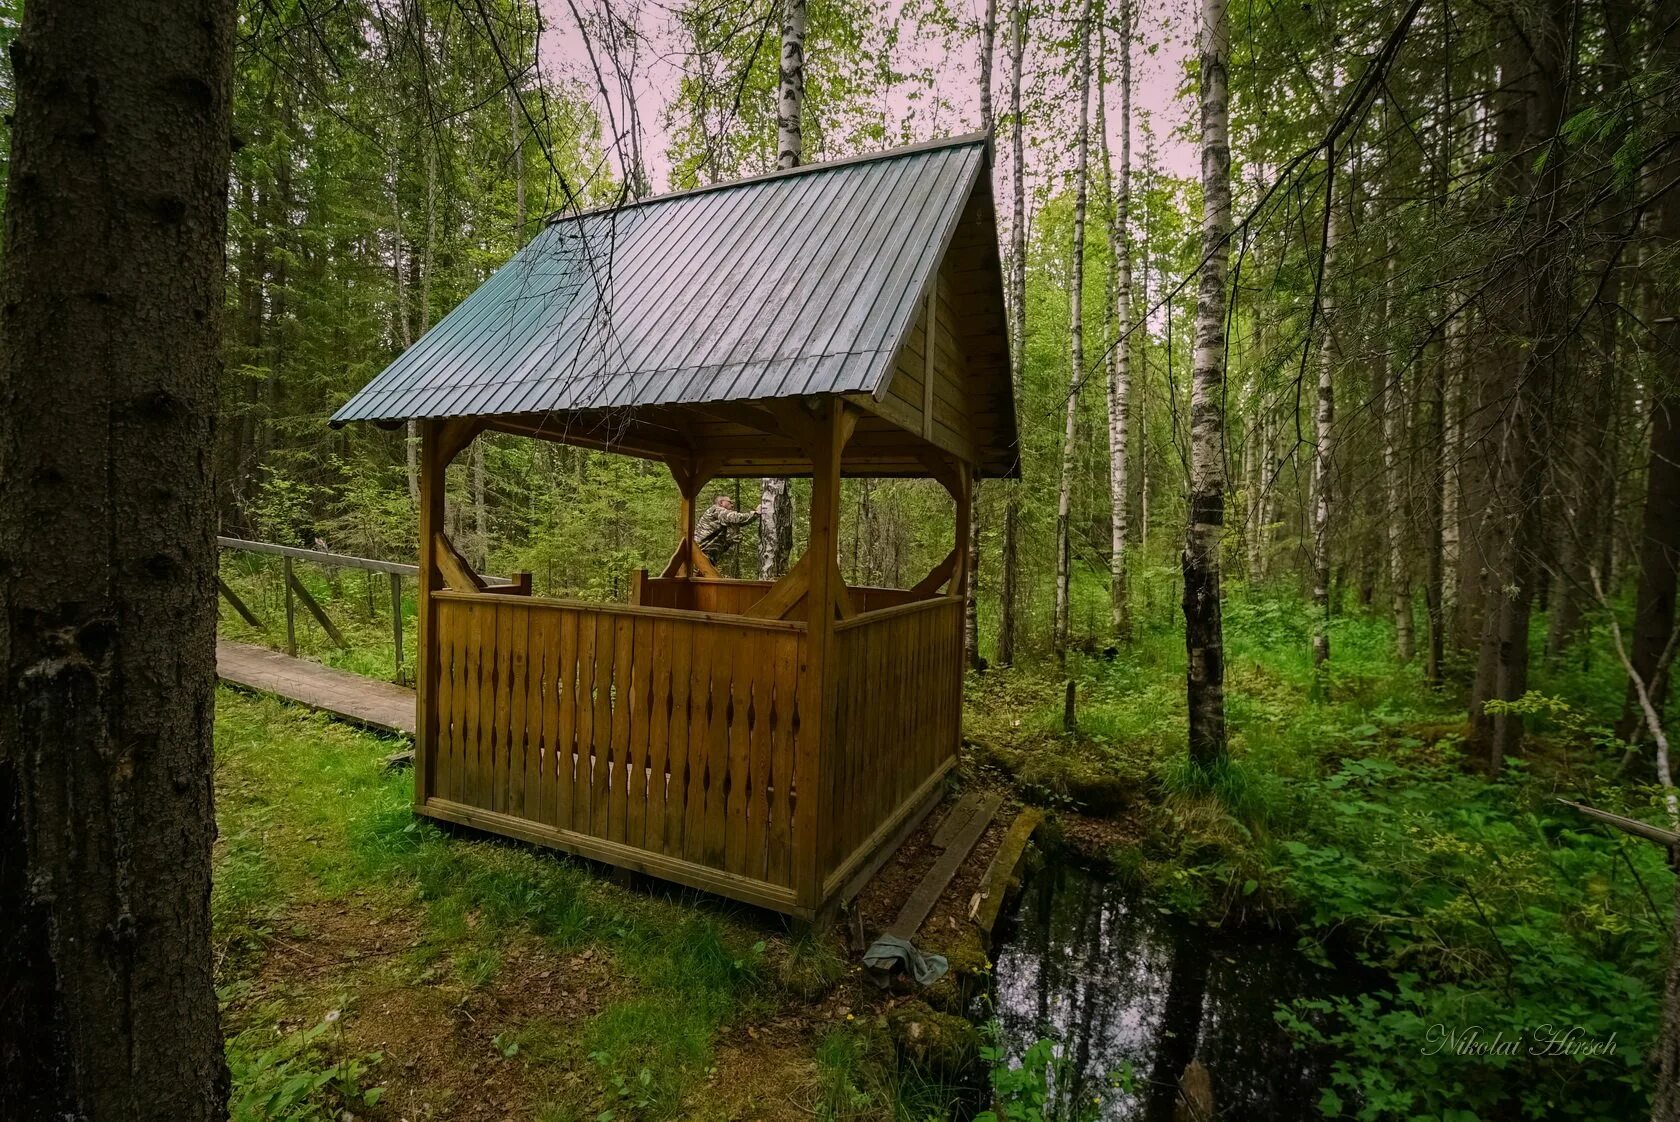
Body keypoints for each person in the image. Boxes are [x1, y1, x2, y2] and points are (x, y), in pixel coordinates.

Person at [694, 494, 759, 565]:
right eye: (730, 502)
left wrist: (730, 541)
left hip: (704, 555)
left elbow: (717, 545)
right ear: (721, 503)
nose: (732, 505)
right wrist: (756, 513)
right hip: (700, 554)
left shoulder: (720, 516)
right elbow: (737, 518)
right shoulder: (716, 510)